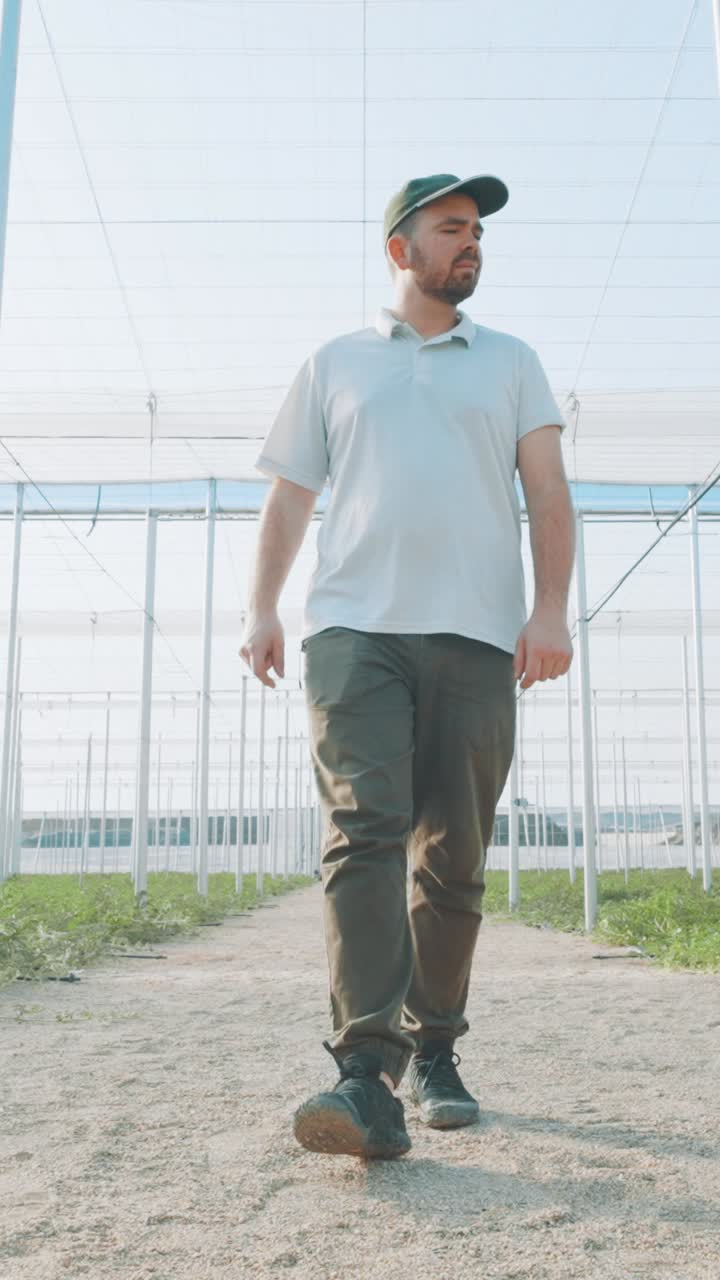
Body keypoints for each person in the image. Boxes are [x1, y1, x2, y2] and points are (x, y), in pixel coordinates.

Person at [239, 173, 575, 1160]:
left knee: (453, 855)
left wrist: (548, 608)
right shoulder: (336, 362)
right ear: (401, 250)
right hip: (354, 631)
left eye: (476, 231)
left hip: (475, 633)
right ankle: (363, 1069)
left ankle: (437, 1048)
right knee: (363, 830)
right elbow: (291, 493)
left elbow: (548, 492)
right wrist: (262, 605)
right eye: (451, 228)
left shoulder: (512, 361)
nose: (470, 243)